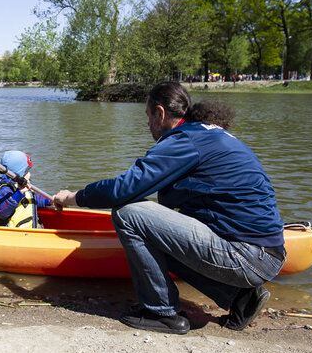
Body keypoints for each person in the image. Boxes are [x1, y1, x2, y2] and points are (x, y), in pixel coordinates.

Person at [53, 82, 285, 335]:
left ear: (160, 113)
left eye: (148, 116)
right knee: (156, 230)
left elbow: (124, 188)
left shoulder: (185, 141)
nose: (148, 123)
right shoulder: (208, 134)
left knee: (129, 214)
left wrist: (73, 197)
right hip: (266, 253)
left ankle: (162, 312)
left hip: (247, 256)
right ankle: (241, 298)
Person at [0, 150, 51, 228]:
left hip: (28, 233)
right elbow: (1, 212)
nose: (30, 173)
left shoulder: (22, 186)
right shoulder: (5, 189)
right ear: (21, 173)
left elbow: (32, 199)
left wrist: (49, 201)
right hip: (11, 236)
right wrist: (19, 193)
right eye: (28, 171)